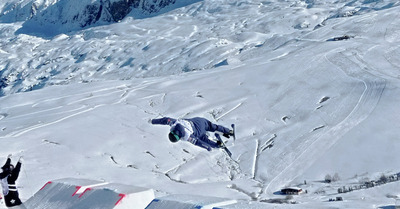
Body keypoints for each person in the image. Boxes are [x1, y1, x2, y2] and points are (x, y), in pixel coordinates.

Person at [151, 117, 234, 151]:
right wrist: (153, 121)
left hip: (199, 131)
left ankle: (218, 145)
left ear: (179, 136)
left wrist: (208, 147)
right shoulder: (174, 123)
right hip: (199, 120)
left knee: (204, 139)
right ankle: (228, 131)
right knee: (213, 126)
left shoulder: (187, 136)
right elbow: (165, 120)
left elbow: (198, 143)